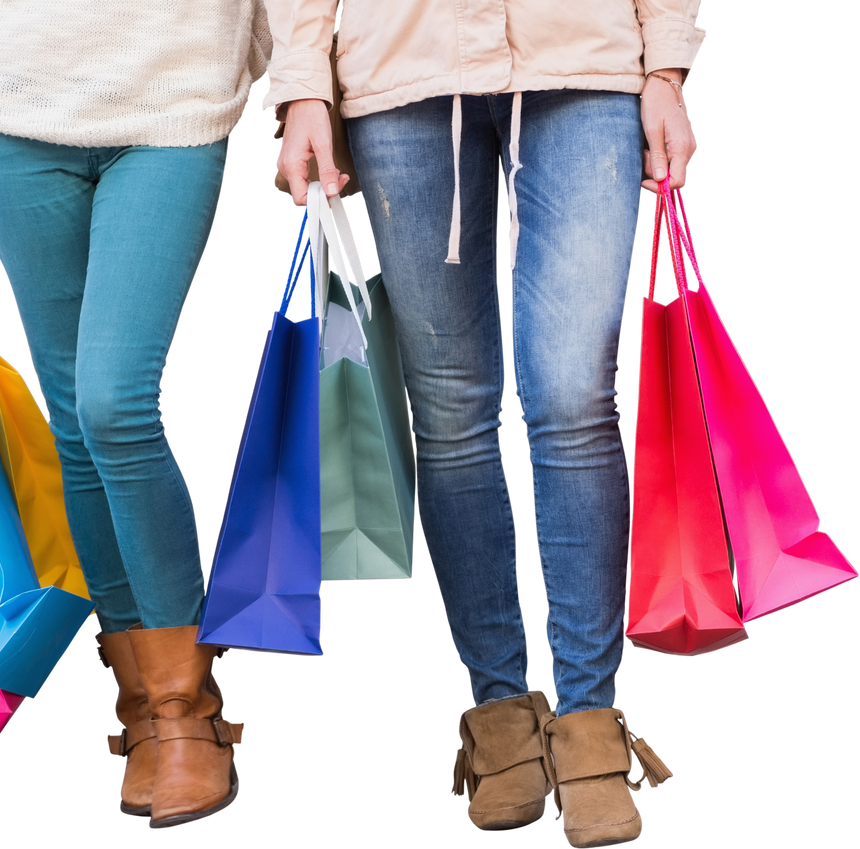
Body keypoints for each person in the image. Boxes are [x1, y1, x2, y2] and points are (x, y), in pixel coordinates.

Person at [264, 1, 702, 845]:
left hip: (582, 54)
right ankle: (499, 717)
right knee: (450, 407)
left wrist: (666, 68)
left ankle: (590, 725)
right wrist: (301, 87)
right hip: (399, 64)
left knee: (574, 392)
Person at [0, 1, 271, 832]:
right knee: (72, 422)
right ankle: (139, 700)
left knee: (116, 404)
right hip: (14, 119)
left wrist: (289, 89)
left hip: (171, 110)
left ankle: (188, 702)